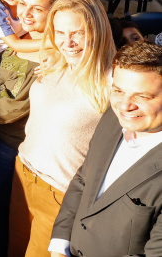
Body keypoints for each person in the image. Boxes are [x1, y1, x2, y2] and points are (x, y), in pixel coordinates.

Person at [0, 0, 84, 257]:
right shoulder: (25, 37)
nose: (24, 13)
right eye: (22, 3)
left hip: (9, 146)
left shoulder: (52, 53)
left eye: (37, 9)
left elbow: (3, 111)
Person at [9, 0, 116, 257]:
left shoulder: (113, 81)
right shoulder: (56, 60)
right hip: (23, 174)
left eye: (78, 33)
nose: (68, 42)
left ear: (98, 30)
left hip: (61, 193)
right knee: (14, 249)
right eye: (59, 32)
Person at [49, 41, 162, 256]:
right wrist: (60, 246)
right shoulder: (112, 119)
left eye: (142, 96)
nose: (124, 105)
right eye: (118, 91)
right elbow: (84, 179)